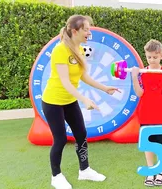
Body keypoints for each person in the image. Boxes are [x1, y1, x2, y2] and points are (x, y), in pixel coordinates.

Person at [41, 15, 120, 189]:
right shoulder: (60, 50)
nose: (89, 32)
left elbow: (83, 76)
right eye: (86, 29)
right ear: (75, 31)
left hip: (69, 100)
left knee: (81, 134)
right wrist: (84, 98)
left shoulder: (80, 49)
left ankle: (84, 171)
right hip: (53, 101)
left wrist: (104, 88)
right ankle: (56, 176)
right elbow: (65, 81)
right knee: (60, 139)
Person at [131, 39, 162, 187]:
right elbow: (139, 92)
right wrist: (134, 76)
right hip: (146, 114)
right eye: (149, 57)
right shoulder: (142, 74)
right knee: (148, 144)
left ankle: (160, 171)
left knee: (160, 144)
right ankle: (151, 170)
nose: (152, 60)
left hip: (160, 115)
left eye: (155, 57)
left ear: (161, 56)